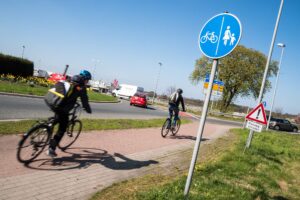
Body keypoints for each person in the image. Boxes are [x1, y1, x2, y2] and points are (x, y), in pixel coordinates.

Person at [47, 70, 92, 157]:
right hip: (63, 109)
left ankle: (45, 128)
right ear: (85, 79)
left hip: (55, 102)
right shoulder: (81, 87)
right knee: (62, 128)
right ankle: (51, 148)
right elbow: (85, 101)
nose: (87, 82)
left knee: (56, 119)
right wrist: (88, 110)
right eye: (88, 80)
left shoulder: (71, 79)